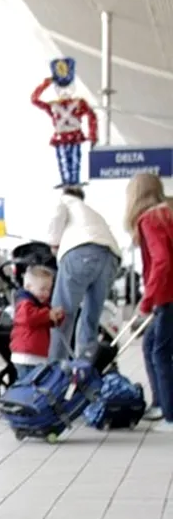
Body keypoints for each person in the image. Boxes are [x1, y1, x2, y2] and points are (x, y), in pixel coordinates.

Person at [44, 185, 121, 363]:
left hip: (81, 254)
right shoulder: (91, 212)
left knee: (61, 315)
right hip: (110, 258)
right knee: (91, 317)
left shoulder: (65, 200)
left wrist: (53, 243)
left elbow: (56, 216)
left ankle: (55, 368)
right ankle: (85, 365)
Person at [124, 173, 173, 430]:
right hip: (167, 296)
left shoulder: (150, 219)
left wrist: (147, 300)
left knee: (160, 352)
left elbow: (162, 261)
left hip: (168, 296)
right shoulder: (168, 213)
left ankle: (170, 416)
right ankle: (161, 404)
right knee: (151, 344)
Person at [9, 265, 63, 379]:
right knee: (29, 384)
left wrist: (57, 317)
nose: (46, 293)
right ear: (28, 287)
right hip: (26, 354)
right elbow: (29, 318)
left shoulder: (40, 306)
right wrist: (48, 314)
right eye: (42, 289)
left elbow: (45, 322)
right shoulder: (25, 303)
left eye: (49, 290)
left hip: (36, 355)